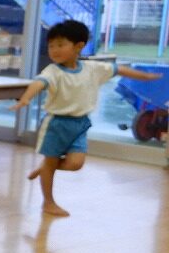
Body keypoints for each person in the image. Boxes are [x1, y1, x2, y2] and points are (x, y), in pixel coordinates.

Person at [10, 20, 161, 217]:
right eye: (51, 46)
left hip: (80, 123)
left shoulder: (92, 69)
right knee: (52, 162)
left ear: (79, 46)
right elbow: (39, 83)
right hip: (56, 124)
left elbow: (119, 69)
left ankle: (46, 167)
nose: (54, 50)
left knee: (75, 164)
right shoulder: (53, 71)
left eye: (60, 45)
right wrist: (26, 98)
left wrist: (146, 77)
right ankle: (48, 202)